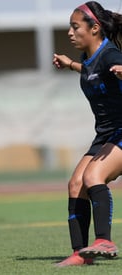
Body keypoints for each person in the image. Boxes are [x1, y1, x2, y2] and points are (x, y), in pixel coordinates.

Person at [52, 1, 122, 267]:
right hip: (105, 135)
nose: (70, 32)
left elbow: (110, 68)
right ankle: (81, 254)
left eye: (75, 26)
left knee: (94, 176)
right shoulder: (89, 58)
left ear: (94, 28)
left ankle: (104, 240)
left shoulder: (112, 55)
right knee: (76, 184)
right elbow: (94, 73)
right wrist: (71, 64)